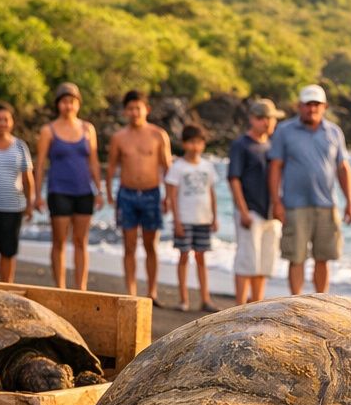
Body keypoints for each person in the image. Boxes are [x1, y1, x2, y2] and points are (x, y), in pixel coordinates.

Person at [267, 84, 351, 295]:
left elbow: (343, 168)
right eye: (308, 105)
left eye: (316, 104)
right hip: (294, 206)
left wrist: (350, 202)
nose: (312, 109)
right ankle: (296, 303)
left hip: (326, 204)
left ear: (324, 106)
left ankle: (320, 301)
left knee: (323, 257)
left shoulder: (334, 132)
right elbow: (275, 167)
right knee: (296, 257)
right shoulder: (285, 131)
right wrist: (276, 202)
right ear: (299, 106)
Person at [32, 83, 101, 290]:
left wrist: (99, 190)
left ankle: (81, 288)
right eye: (64, 101)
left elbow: (94, 162)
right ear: (58, 105)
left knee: (81, 241)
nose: (68, 106)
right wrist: (37, 195)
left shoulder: (88, 129)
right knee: (59, 241)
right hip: (58, 191)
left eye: (72, 101)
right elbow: (41, 164)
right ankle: (60, 288)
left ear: (78, 104)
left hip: (84, 191)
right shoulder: (48, 130)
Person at [105, 90, 171, 303]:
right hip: (127, 194)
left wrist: (168, 196)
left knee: (151, 245)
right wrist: (108, 192)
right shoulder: (119, 137)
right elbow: (112, 167)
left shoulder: (158, 134)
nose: (134, 112)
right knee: (129, 245)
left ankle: (152, 292)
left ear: (146, 109)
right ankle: (131, 292)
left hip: (152, 193)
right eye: (130, 109)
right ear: (125, 111)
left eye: (138, 108)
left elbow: (167, 167)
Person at [227, 98, 284, 304]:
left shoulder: (273, 145)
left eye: (270, 119)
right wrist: (242, 210)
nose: (267, 123)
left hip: (270, 211)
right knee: (246, 261)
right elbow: (234, 179)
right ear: (252, 119)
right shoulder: (241, 145)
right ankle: (239, 307)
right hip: (249, 209)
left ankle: (257, 305)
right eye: (261, 118)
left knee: (264, 263)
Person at [165, 124, 220, 312]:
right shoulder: (178, 167)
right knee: (183, 257)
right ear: (184, 144)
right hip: (185, 219)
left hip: (204, 219)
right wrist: (177, 221)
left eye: (198, 142)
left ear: (203, 144)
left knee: (202, 258)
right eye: (191, 143)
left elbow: (212, 192)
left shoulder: (208, 166)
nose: (195, 146)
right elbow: (172, 195)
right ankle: (183, 300)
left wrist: (215, 217)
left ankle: (205, 299)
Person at [0, 102, 33, 283]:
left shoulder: (20, 146)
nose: (2, 123)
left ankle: (6, 288)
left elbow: (27, 177)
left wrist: (30, 203)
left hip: (14, 207)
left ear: (12, 122)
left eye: (6, 119)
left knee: (8, 252)